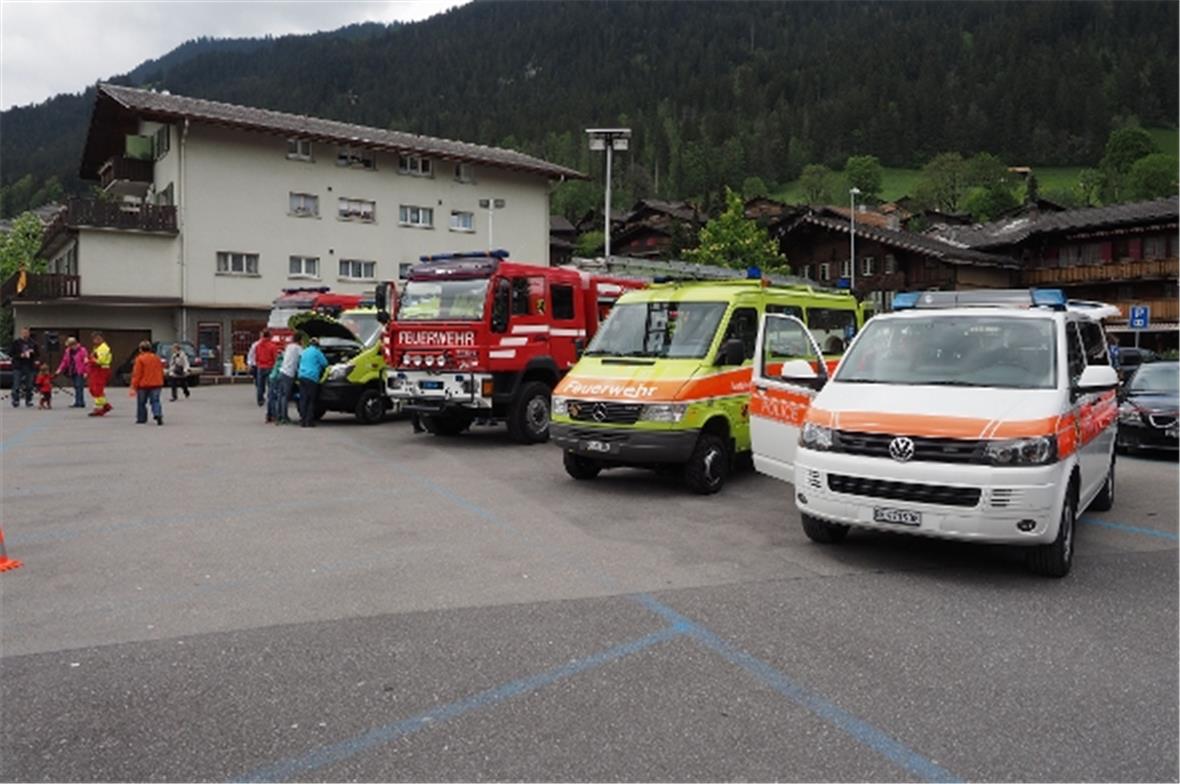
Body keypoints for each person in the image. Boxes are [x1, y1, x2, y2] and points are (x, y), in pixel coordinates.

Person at [130, 340, 165, 425]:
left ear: (140, 349)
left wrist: (133, 386)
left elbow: (137, 374)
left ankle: (141, 418)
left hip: (143, 384)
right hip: (157, 383)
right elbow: (161, 370)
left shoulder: (140, 359)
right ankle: (158, 414)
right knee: (155, 401)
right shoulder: (156, 358)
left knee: (141, 403)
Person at [296, 336, 328, 428]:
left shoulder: (304, 351)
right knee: (311, 400)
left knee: (303, 399)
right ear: (317, 345)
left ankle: (303, 420)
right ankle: (309, 421)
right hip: (312, 378)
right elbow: (325, 364)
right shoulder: (317, 352)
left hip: (302, 376)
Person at [275, 334, 303, 425]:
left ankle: (278, 416)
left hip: (281, 371)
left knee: (280, 396)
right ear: (300, 340)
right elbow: (304, 356)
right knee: (285, 397)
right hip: (289, 374)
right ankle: (284, 417)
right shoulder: (298, 348)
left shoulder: (289, 346)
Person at [56, 336, 89, 408]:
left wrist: (86, 372)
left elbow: (86, 362)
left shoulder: (82, 350)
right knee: (76, 386)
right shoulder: (68, 351)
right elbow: (64, 361)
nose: (70, 347)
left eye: (71, 345)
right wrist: (59, 369)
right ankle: (78, 401)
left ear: (75, 344)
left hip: (80, 371)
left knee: (79, 386)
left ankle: (80, 402)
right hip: (72, 371)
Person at [10, 327, 38, 408]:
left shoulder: (33, 343)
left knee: (29, 385)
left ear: (29, 333)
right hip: (18, 365)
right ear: (21, 333)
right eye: (24, 333)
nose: (25, 334)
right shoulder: (16, 342)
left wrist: (33, 353)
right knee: (16, 384)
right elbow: (10, 353)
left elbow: (38, 354)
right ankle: (15, 400)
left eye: (27, 333)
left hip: (29, 365)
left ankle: (28, 400)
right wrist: (20, 355)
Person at [87, 332, 113, 417]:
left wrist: (91, 359)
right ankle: (105, 405)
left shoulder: (103, 348)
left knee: (97, 389)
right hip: (96, 370)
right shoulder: (97, 347)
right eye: (94, 339)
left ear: (101, 338)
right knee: (93, 388)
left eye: (97, 338)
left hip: (101, 369)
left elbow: (100, 360)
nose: (95, 340)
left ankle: (99, 408)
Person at [252, 329, 279, 407]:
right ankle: (271, 399)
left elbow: (256, 356)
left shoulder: (258, 345)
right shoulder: (272, 346)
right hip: (270, 366)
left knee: (260, 385)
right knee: (270, 384)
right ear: (270, 336)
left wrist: (258, 363)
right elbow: (275, 358)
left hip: (260, 366)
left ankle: (260, 400)